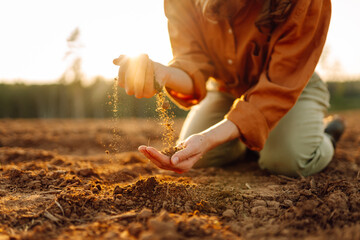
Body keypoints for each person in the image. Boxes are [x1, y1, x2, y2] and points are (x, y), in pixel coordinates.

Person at [113, 0, 345, 177]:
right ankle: (254, 140)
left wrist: (208, 138)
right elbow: (192, 65)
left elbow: (281, 84)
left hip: (289, 86)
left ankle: (326, 135)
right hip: (227, 88)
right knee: (200, 157)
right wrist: (163, 73)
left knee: (288, 161)